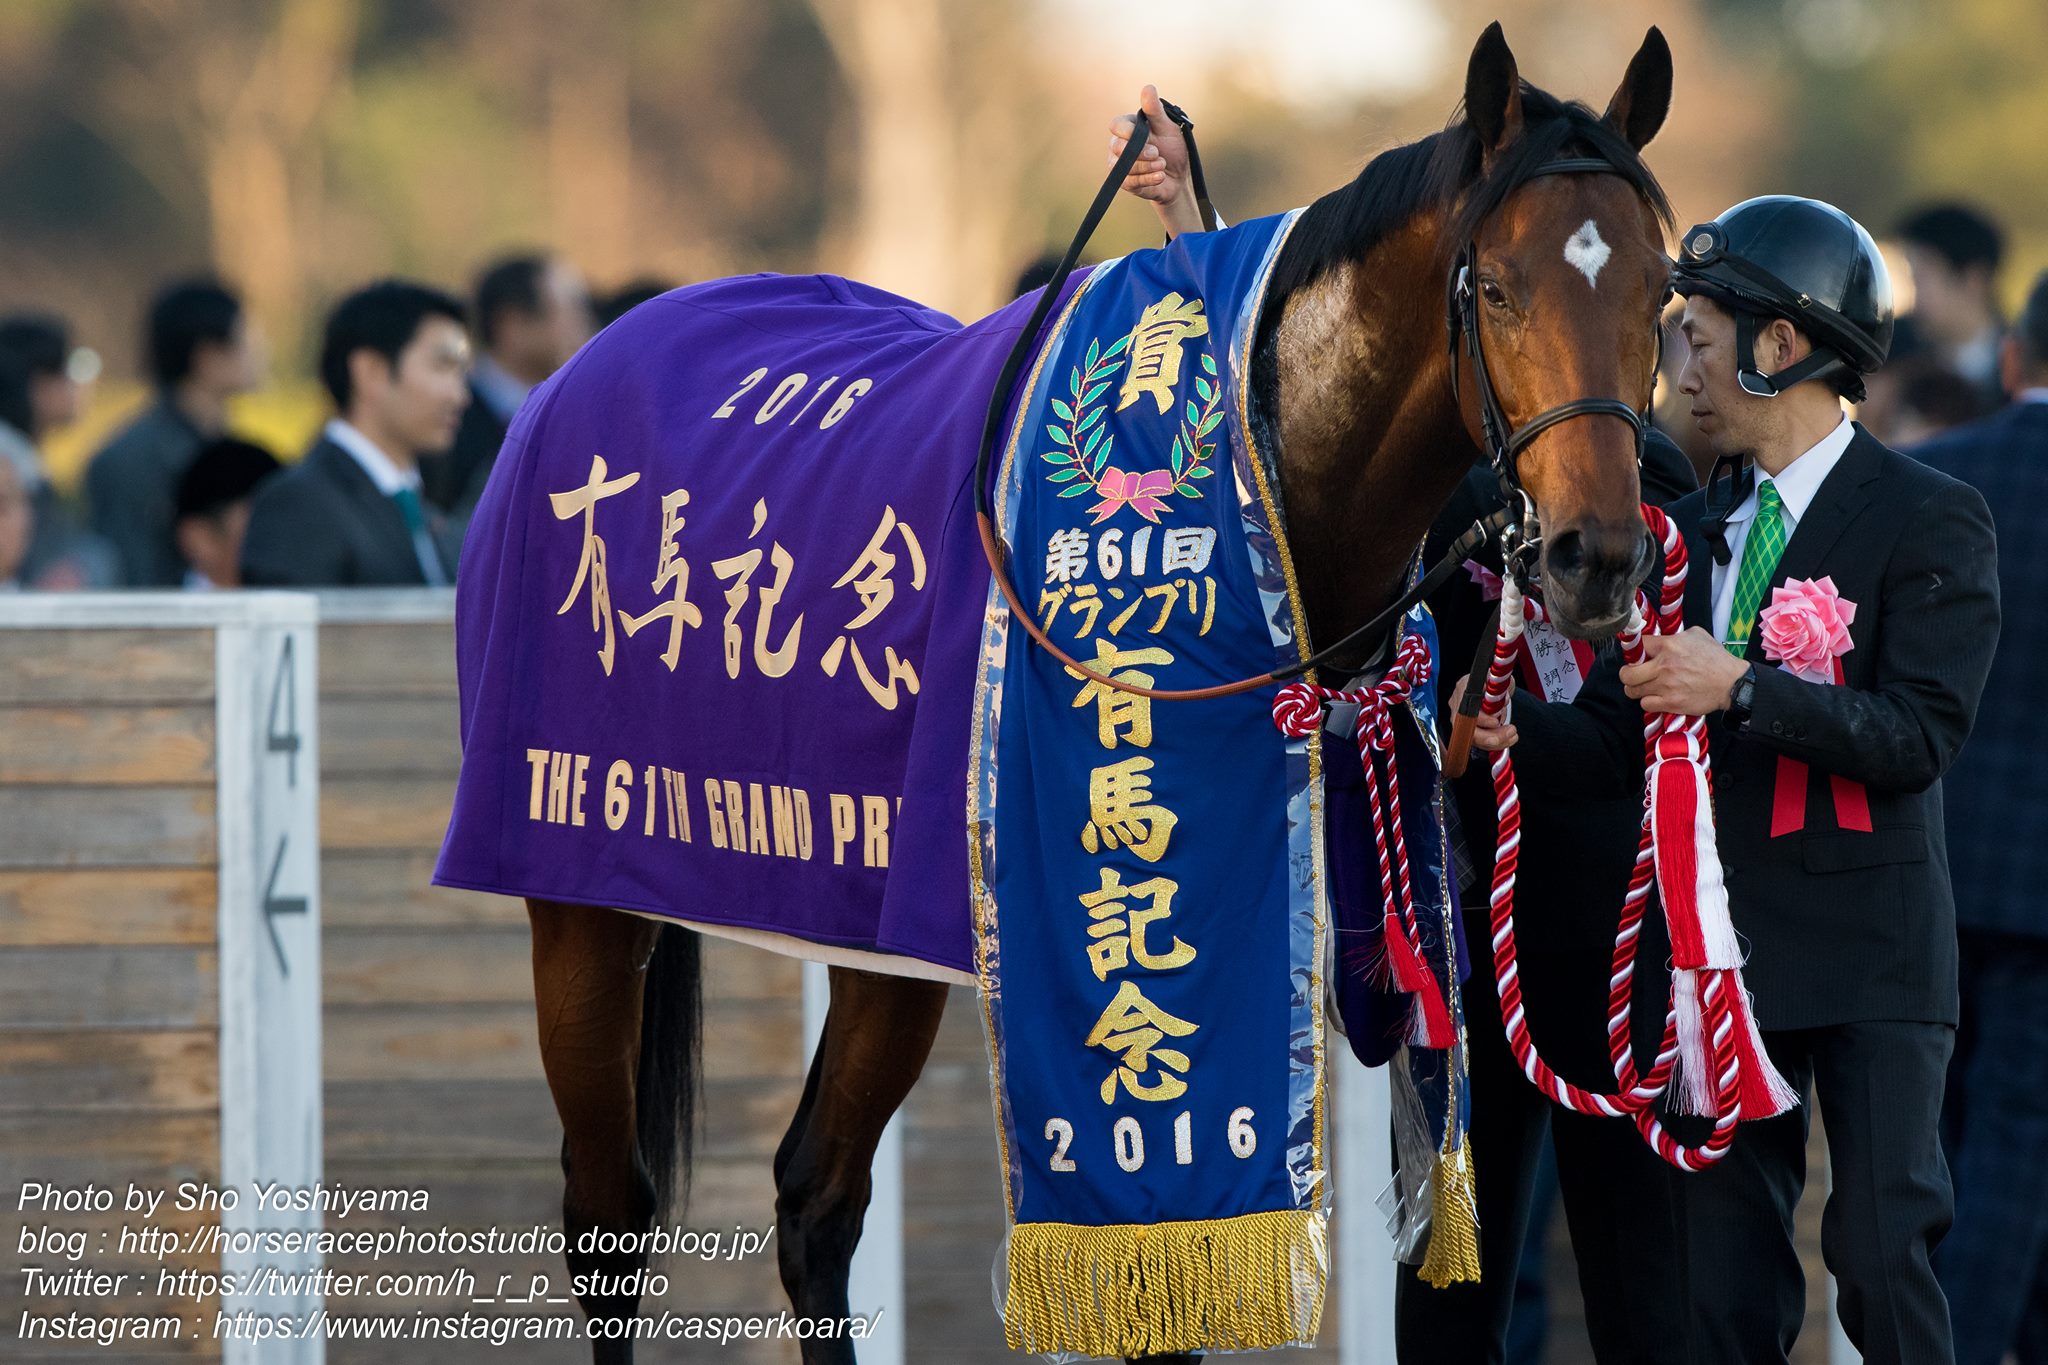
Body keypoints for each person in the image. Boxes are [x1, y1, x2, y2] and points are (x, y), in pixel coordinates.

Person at [1110, 84, 1701, 1361]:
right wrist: (1188, 225)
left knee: (1598, 1281)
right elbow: (1295, 432)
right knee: (1453, 1285)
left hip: (1588, 947)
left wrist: (1507, 738)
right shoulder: (1442, 483)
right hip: (1427, 928)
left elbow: (1616, 732)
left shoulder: (1655, 505)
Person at [1466, 196, 1999, 1365]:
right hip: (1712, 963)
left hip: (1870, 952)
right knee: (1715, 1295)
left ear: (1780, 346)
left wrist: (1741, 686)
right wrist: (1506, 732)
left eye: (1694, 339)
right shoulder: (1684, 532)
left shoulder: (1931, 517)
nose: (1671, 373)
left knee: (1878, 1259)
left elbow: (1916, 736)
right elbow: (1613, 736)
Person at [1908, 267, 2048, 1365]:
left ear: (2011, 359)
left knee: (1939, 1141)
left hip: (1933, 859)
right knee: (2016, 1140)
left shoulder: (1934, 479)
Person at [240, 280, 470, 588]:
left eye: (461, 372)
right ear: (370, 372)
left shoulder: (425, 513)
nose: (459, 396)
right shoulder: (300, 506)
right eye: (442, 367)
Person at [85, 279, 265, 586]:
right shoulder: (132, 460)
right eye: (245, 336)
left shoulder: (224, 446)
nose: (260, 348)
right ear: (206, 355)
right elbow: (133, 581)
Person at [420, 252, 593, 517]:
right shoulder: (448, 426)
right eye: (571, 311)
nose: (586, 327)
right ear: (512, 324)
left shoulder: (572, 416)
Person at [0, 314, 117, 589]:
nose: (82, 384)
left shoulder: (24, 459)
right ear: (38, 383)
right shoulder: (12, 463)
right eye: (74, 368)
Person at [1897, 202, 2007, 405]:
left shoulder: (2026, 368)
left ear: (1973, 280)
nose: (1913, 299)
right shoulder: (1896, 363)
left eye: (1921, 280)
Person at [172, 436, 281, 590]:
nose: (284, 535)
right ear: (200, 539)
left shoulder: (305, 605)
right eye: (264, 524)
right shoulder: (156, 612)